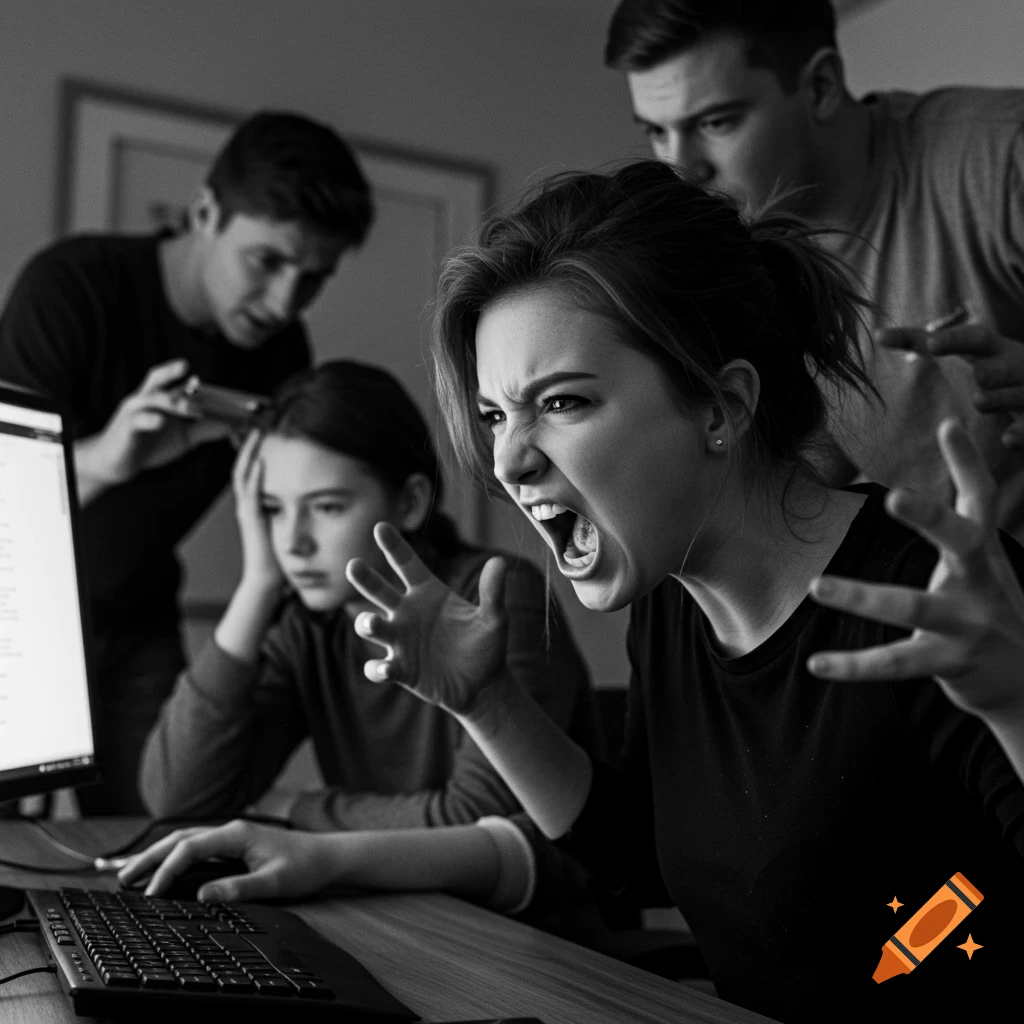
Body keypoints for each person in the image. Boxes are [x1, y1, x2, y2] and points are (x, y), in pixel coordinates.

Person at [122, 164, 1024, 1023]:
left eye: (561, 403)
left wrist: (1019, 704)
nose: (507, 461)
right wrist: (487, 705)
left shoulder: (949, 603)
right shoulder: (671, 604)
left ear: (721, 406)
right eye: (493, 415)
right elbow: (637, 860)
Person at [0, 111, 373, 814]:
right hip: (17, 618)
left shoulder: (283, 351)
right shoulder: (72, 287)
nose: (285, 302)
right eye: (268, 261)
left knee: (158, 832)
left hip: (140, 619)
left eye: (313, 277)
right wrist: (110, 459)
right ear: (204, 211)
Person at [604, 0, 1024, 541]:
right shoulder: (746, 259)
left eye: (714, 122)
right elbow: (807, 475)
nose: (682, 168)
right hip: (967, 604)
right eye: (657, 133)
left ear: (821, 85)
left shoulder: (1003, 156)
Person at [138, 359, 595, 834]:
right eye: (273, 510)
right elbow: (177, 798)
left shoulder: (494, 597)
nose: (293, 542)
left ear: (411, 503)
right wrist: (258, 583)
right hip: (380, 901)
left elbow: (479, 823)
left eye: (327, 507)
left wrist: (298, 810)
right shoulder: (312, 629)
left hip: (498, 910)